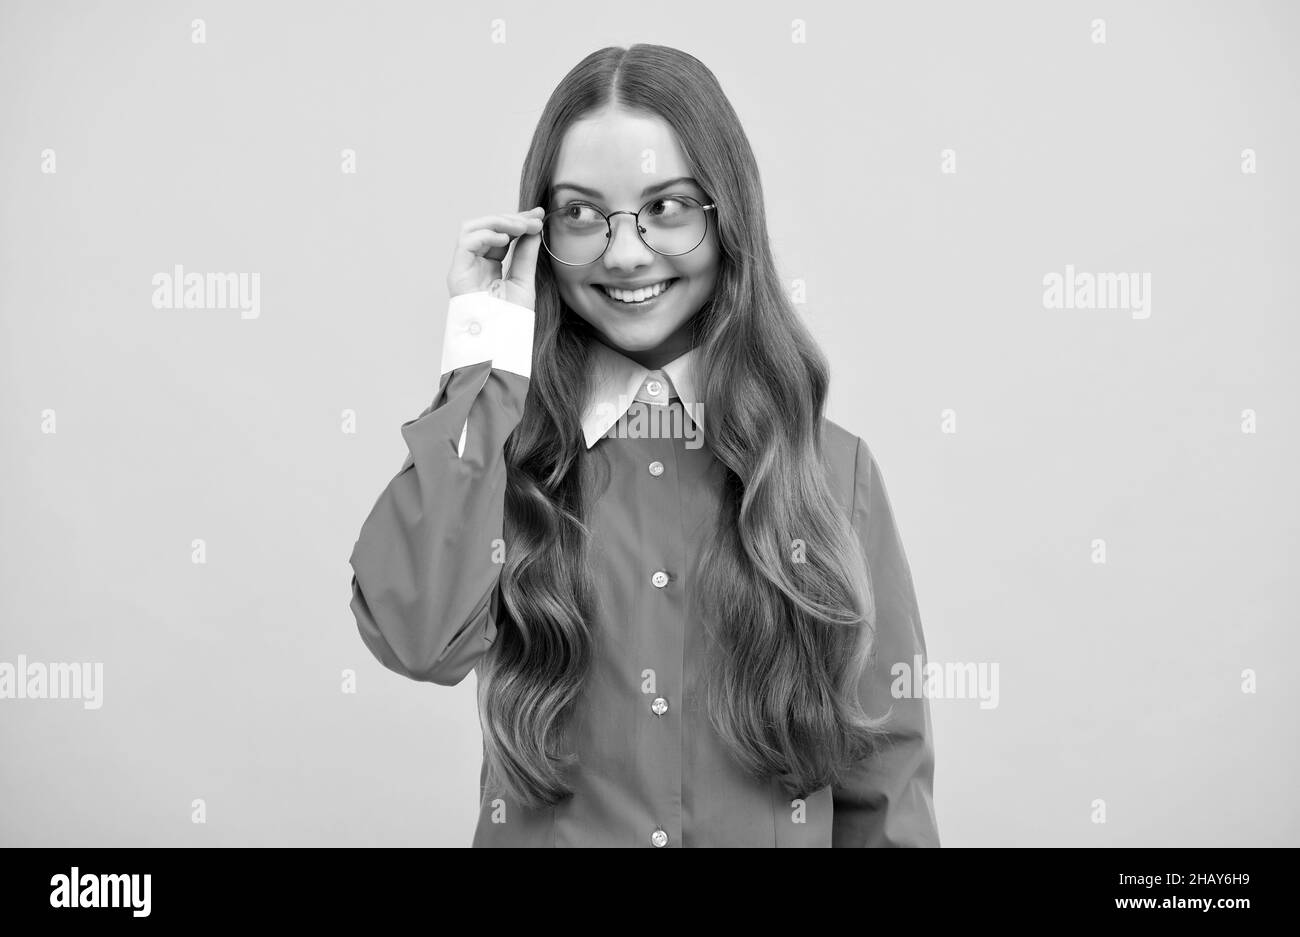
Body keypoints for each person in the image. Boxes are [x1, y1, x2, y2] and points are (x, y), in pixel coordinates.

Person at [348, 43, 939, 847]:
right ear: (541, 230)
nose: (624, 253)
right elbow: (417, 640)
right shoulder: (499, 458)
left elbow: (885, 790)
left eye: (667, 207)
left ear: (727, 217)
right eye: (583, 215)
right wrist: (482, 357)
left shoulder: (833, 472)